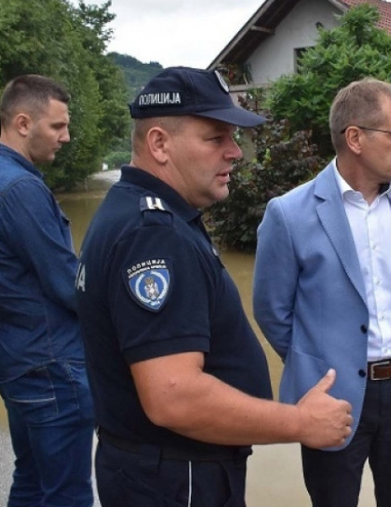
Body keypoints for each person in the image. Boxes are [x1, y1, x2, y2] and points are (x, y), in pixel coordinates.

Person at [75, 66, 353, 507]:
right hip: (177, 479)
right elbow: (174, 397)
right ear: (159, 144)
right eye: (215, 138)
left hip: (161, 471)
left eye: (233, 138)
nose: (236, 152)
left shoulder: (136, 211)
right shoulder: (154, 234)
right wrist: (299, 422)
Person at [253, 77, 391, 507]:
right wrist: (318, 360)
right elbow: (271, 310)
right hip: (332, 396)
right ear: (355, 138)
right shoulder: (290, 214)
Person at [0, 75, 94, 507]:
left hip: (14, 362)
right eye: (57, 127)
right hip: (50, 368)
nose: (66, 137)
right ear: (23, 122)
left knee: (33, 480)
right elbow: (69, 285)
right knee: (67, 494)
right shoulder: (21, 188)